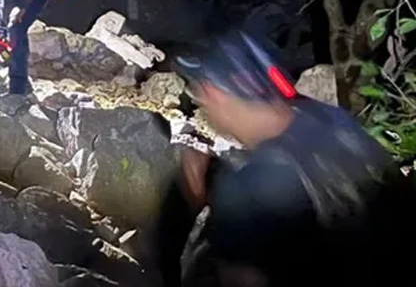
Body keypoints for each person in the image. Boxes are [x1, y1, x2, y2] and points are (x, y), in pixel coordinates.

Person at [155, 31, 415, 287]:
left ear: (216, 94)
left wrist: (194, 201)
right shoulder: (336, 123)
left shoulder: (250, 191)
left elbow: (242, 278)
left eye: (202, 96)